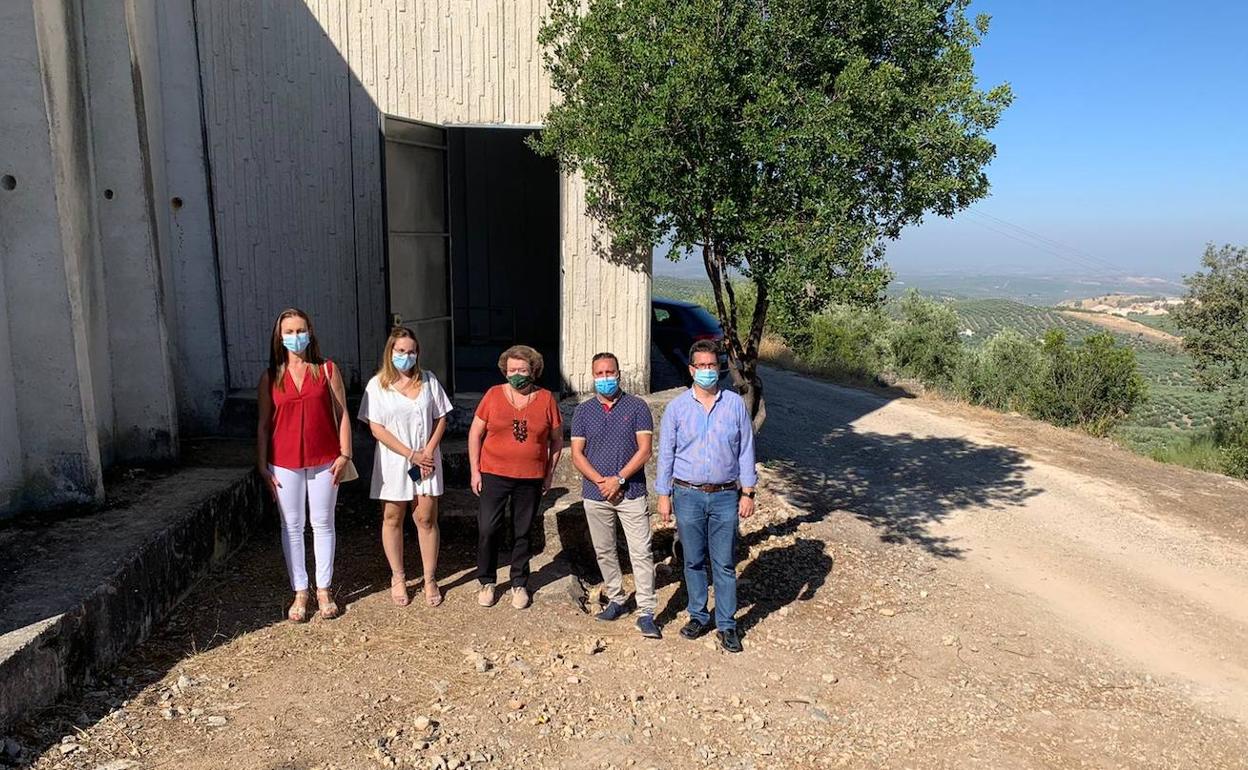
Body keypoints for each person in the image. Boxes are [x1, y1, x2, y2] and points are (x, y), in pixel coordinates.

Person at [655, 339, 757, 653]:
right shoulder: (677, 408)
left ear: (719, 368)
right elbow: (666, 454)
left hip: (726, 495)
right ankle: (698, 615)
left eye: (712, 365)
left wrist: (748, 491)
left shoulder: (734, 404)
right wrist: (663, 494)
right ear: (691, 370)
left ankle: (727, 624)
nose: (707, 371)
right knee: (694, 560)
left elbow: (746, 450)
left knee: (724, 563)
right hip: (687, 494)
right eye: (701, 366)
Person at [256, 308, 353, 622]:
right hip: (283, 461)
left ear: (310, 332)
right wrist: (262, 466)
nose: (295, 337)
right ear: (279, 337)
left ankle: (323, 588)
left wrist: (345, 453)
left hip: (325, 459)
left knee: (323, 523)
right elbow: (262, 425)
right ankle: (300, 590)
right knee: (292, 526)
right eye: (289, 332)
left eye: (300, 330)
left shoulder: (326, 369)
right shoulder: (271, 376)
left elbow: (342, 413)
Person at [358, 327, 454, 607]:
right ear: (390, 352)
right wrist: (409, 453)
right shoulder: (378, 385)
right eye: (400, 351)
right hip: (394, 460)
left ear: (418, 353)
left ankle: (429, 577)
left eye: (411, 351)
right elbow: (376, 427)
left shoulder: (429, 380)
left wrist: (427, 451)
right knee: (392, 517)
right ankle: (398, 576)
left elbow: (441, 418)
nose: (406, 356)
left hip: (425, 459)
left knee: (425, 518)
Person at [570, 352, 661, 638]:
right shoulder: (583, 412)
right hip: (596, 493)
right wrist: (601, 481)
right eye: (600, 373)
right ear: (592, 376)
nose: (605, 378)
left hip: (631, 492)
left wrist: (619, 479)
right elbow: (576, 454)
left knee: (641, 552)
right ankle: (616, 598)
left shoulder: (637, 407)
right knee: (605, 550)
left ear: (619, 374)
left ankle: (646, 611)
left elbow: (644, 450)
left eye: (610, 372)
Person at [467, 345, 563, 610]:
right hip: (493, 474)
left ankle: (519, 582)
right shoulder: (493, 395)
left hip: (530, 477)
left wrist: (549, 473)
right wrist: (475, 470)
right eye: (511, 370)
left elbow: (557, 441)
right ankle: (487, 580)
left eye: (522, 369)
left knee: (522, 531)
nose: (516, 374)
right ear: (504, 371)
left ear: (534, 370)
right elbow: (475, 433)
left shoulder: (546, 399)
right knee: (488, 528)